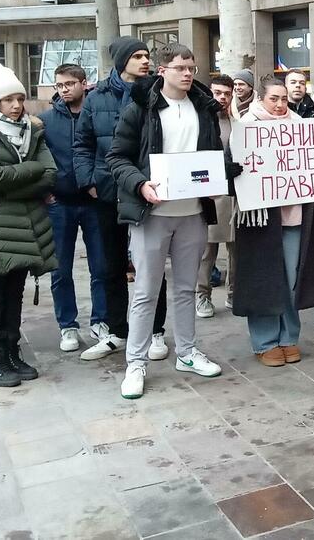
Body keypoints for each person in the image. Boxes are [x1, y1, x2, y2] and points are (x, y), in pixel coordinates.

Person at [107, 43, 226, 399]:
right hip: (152, 215)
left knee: (187, 288)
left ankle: (187, 352)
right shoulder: (140, 109)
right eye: (180, 68)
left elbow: (213, 156)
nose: (188, 73)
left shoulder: (204, 108)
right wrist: (140, 184)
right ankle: (136, 363)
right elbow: (117, 158)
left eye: (191, 67)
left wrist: (224, 177)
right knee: (145, 291)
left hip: (192, 213)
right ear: (162, 71)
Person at [74, 36, 169, 361]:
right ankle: (116, 331)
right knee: (108, 265)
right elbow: (83, 144)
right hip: (106, 193)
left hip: (147, 191)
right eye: (138, 56)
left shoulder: (158, 94)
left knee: (151, 265)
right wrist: (89, 181)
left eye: (147, 55)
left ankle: (156, 332)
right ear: (122, 61)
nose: (145, 61)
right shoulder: (95, 98)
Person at [0, 63, 56, 386]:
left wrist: (17, 180)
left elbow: (50, 173)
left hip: (25, 223)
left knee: (15, 291)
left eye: (20, 98)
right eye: (8, 100)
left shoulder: (32, 130)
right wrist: (30, 173)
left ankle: (10, 350)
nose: (17, 105)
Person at [232, 77, 314, 359]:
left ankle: (289, 336)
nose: (280, 104)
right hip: (260, 219)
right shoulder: (246, 128)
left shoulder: (301, 127)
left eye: (284, 98)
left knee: (291, 277)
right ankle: (265, 342)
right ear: (260, 99)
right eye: (274, 98)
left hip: (295, 215)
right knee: (265, 278)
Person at [39, 64, 108, 352]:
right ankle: (68, 325)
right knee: (60, 269)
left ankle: (101, 320)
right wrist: (44, 192)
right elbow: (36, 158)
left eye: (69, 84)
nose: (64, 89)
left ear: (84, 83)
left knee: (101, 266)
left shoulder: (96, 114)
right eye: (59, 85)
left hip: (94, 202)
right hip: (60, 203)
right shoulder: (44, 121)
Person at [196, 74, 236, 318]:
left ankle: (234, 294)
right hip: (210, 194)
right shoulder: (201, 120)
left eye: (226, 93)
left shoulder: (237, 120)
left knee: (237, 250)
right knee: (207, 250)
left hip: (235, 192)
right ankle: (202, 295)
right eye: (217, 93)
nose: (222, 97)